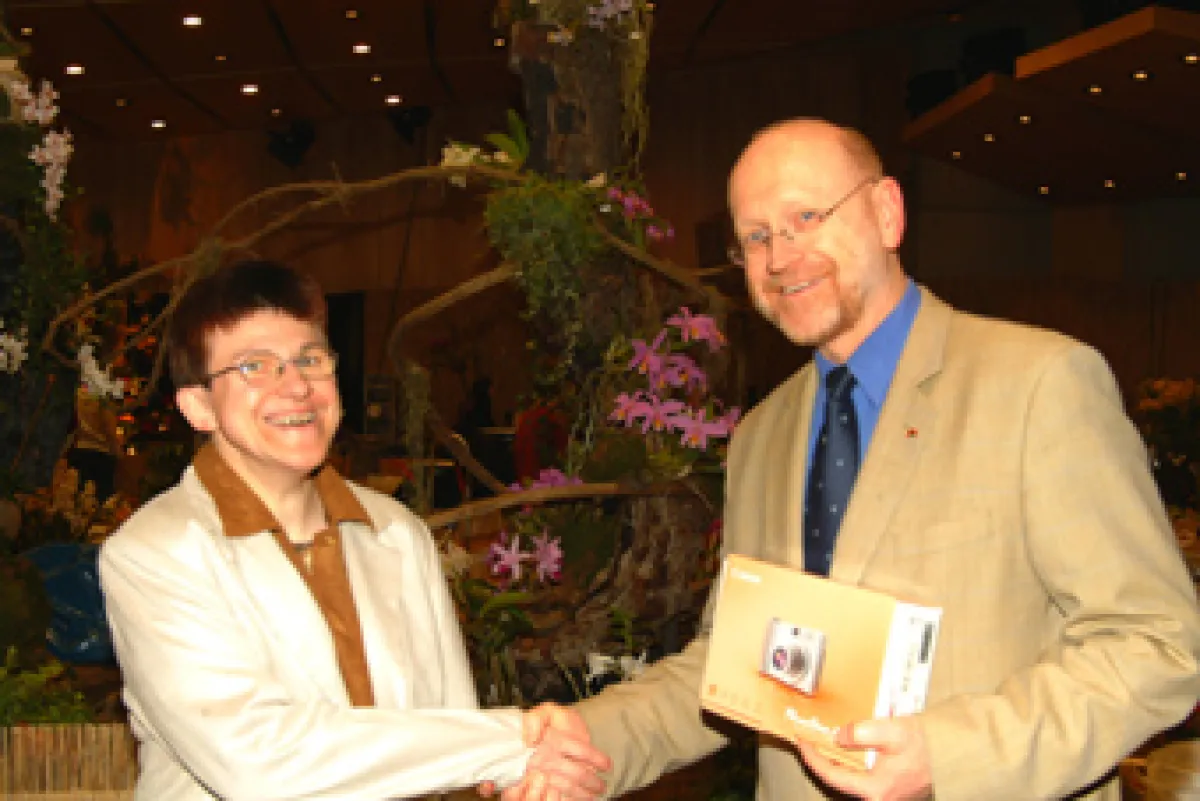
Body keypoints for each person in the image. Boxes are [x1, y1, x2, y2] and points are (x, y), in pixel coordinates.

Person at [545, 119, 1200, 801]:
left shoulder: (1038, 385)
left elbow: (1154, 645)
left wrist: (947, 756)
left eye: (805, 217)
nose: (780, 258)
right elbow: (736, 662)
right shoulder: (760, 438)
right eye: (756, 237)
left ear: (887, 213)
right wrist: (592, 737)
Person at [98, 259, 609, 800]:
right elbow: (257, 761)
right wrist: (511, 744)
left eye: (310, 359)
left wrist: (526, 772)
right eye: (255, 366)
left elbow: (451, 733)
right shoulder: (154, 554)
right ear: (199, 407)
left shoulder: (396, 532)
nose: (296, 385)